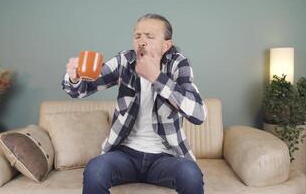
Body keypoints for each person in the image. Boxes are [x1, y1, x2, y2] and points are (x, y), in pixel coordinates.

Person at [62, 13, 207, 194]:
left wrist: (157, 78)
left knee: (191, 174)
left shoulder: (178, 64)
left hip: (165, 158)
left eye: (150, 36)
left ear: (166, 45)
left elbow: (199, 113)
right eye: (137, 36)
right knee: (95, 169)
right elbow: (80, 89)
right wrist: (74, 77)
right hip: (125, 154)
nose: (141, 41)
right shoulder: (125, 61)